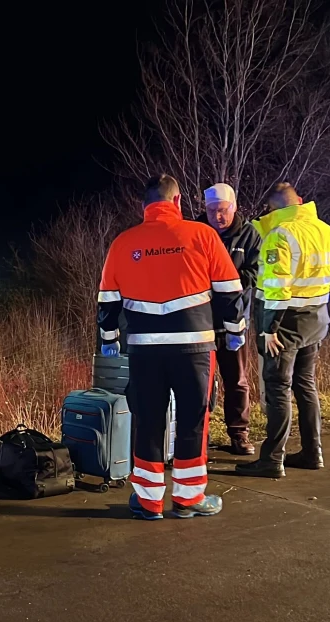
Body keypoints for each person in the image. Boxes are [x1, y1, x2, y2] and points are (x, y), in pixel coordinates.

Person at [97, 174, 246, 520]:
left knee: (148, 421)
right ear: (178, 202)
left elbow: (107, 302)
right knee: (194, 421)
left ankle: (148, 502)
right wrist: (234, 331)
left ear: (144, 206)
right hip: (194, 350)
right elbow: (229, 291)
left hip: (145, 352)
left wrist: (109, 340)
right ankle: (188, 499)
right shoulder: (203, 235)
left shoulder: (123, 243)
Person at [235, 182, 330, 479]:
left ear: (274, 209)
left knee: (277, 387)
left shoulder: (280, 236)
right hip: (317, 318)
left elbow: (276, 288)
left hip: (285, 323)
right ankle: (313, 451)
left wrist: (269, 329)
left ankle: (272, 459)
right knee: (305, 385)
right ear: (301, 201)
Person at [204, 183, 262, 456]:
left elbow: (256, 272)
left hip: (235, 323)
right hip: (201, 321)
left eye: (223, 210)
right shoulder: (197, 234)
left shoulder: (249, 235)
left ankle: (239, 434)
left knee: (236, 380)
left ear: (234, 207)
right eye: (212, 210)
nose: (218, 216)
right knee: (198, 383)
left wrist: (228, 283)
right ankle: (197, 435)